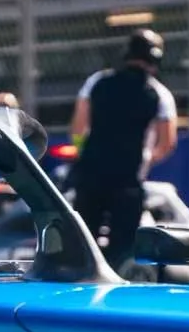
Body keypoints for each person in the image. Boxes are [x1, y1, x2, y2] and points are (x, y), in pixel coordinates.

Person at [68, 28, 179, 269]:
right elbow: (167, 143)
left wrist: (84, 153)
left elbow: (78, 128)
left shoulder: (97, 82)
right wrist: (147, 160)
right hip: (128, 182)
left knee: (82, 247)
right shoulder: (159, 94)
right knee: (122, 254)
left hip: (90, 176)